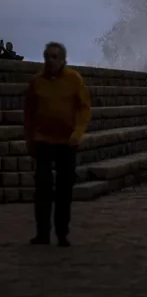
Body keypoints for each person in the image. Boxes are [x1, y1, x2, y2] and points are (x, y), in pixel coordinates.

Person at [24, 42, 91, 247]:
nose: (50, 60)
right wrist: (29, 141)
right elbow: (29, 114)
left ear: (63, 60)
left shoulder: (74, 79)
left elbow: (84, 108)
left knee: (64, 191)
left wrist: (78, 132)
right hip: (43, 141)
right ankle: (42, 233)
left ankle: (62, 233)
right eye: (47, 57)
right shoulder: (36, 82)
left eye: (55, 57)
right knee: (42, 189)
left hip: (66, 142)